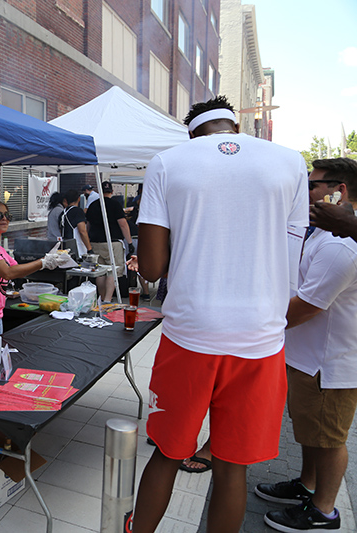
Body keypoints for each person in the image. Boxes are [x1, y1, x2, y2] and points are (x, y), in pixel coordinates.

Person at [130, 95, 309, 533]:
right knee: (232, 467)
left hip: (191, 334)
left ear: (191, 132)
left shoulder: (169, 162)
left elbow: (151, 268)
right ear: (233, 124)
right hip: (261, 339)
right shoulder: (290, 162)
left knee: (168, 453)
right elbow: (293, 255)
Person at [255, 158, 357, 533]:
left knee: (328, 438)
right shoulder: (326, 235)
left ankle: (324, 510)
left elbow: (307, 307)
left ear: (339, 192)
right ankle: (308, 485)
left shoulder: (341, 246)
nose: (304, 194)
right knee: (311, 430)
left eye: (311, 187)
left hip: (328, 363)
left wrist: (258, 323)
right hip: (309, 357)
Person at [0, 200, 70, 344]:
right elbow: (8, 272)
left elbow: (19, 270)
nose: (4, 219)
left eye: (7, 215)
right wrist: (43, 262)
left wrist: (48, 259)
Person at [85, 181, 135, 302]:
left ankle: (101, 299)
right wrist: (129, 242)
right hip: (112, 243)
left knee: (100, 272)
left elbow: (88, 226)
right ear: (111, 192)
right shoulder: (115, 204)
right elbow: (123, 224)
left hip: (95, 243)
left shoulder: (93, 205)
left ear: (100, 192)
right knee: (112, 271)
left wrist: (87, 243)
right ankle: (108, 300)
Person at [60, 189, 92, 255]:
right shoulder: (78, 211)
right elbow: (82, 231)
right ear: (79, 199)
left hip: (65, 247)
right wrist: (89, 249)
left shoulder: (63, 213)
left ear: (65, 200)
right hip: (78, 249)